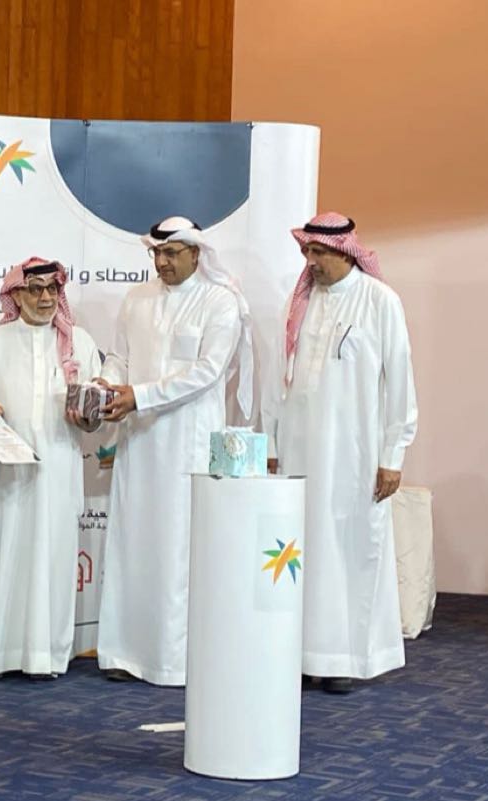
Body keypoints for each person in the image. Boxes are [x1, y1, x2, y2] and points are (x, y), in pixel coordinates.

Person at [262, 212, 418, 694]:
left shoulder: (380, 301)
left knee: (349, 551)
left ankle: (346, 658)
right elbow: (278, 380)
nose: (311, 262)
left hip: (355, 454)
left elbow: (400, 383)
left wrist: (393, 454)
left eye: (320, 253)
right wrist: (271, 443)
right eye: (307, 252)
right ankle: (304, 654)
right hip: (299, 452)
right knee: (301, 550)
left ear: (346, 252)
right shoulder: (300, 302)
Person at [96, 216, 254, 685]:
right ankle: (125, 652)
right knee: (133, 540)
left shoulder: (220, 301)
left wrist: (140, 396)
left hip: (188, 443)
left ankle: (173, 659)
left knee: (177, 546)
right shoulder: (137, 298)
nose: (161, 262)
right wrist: (107, 382)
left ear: (195, 254)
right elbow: (120, 357)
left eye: (171, 254)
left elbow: (208, 371)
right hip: (138, 440)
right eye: (156, 254)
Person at [0, 258, 103, 679]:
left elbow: (95, 415)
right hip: (5, 476)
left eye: (52, 289)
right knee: (1, 560)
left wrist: (90, 418)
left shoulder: (79, 343)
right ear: (16, 294)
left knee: (53, 562)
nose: (45, 297)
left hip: (58, 472)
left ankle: (46, 657)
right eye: (35, 289)